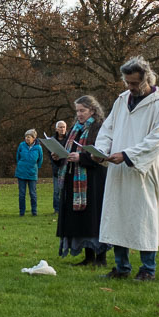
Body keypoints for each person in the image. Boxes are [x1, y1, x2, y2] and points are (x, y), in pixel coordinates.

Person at [96, 56, 159, 281]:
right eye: (128, 82)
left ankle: (148, 269)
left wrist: (129, 155)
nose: (131, 87)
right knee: (118, 215)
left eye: (135, 83)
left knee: (144, 217)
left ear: (147, 79)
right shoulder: (122, 100)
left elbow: (158, 138)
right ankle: (121, 267)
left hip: (143, 170)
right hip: (117, 168)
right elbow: (108, 128)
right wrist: (100, 150)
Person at [56, 96, 109, 266]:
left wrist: (82, 157)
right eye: (77, 110)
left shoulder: (100, 128)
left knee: (95, 219)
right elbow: (69, 150)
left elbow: (103, 154)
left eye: (82, 110)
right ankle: (88, 257)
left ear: (92, 110)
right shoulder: (75, 129)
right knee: (82, 220)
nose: (78, 114)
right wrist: (59, 155)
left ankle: (101, 258)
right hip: (75, 180)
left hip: (94, 180)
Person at [15, 128, 43, 216]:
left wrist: (35, 168)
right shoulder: (21, 145)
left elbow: (40, 160)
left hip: (32, 173)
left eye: (29, 137)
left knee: (33, 193)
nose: (27, 138)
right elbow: (17, 157)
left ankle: (34, 211)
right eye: (26, 137)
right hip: (21, 172)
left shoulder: (38, 147)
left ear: (34, 138)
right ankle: (21, 212)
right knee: (22, 194)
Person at [48, 120, 69, 213]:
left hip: (68, 168)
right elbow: (50, 154)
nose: (62, 129)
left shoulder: (69, 139)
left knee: (66, 190)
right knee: (56, 191)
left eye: (64, 127)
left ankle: (66, 208)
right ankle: (56, 209)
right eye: (60, 127)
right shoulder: (52, 140)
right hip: (56, 169)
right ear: (56, 129)